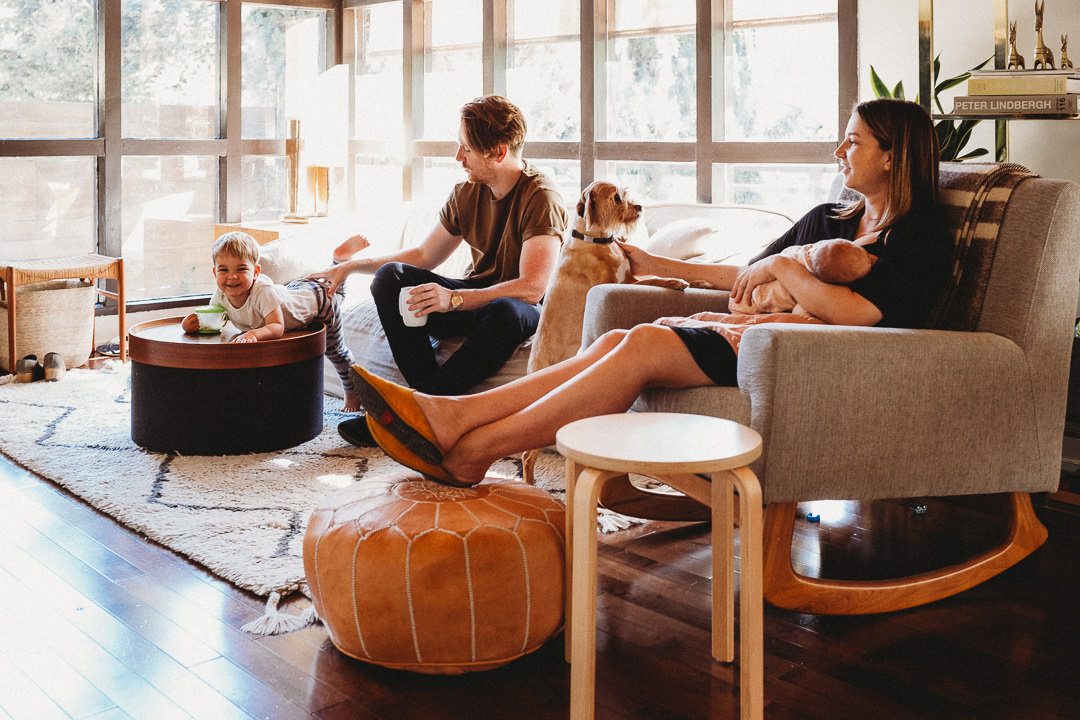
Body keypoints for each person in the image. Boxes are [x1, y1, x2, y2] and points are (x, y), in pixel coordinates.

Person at [346, 97, 954, 487]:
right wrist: (660, 263)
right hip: (759, 335)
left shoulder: (919, 232)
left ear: (893, 155)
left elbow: (863, 315)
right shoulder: (832, 218)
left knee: (639, 348)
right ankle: (454, 415)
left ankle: (473, 445)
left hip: (813, 352)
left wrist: (792, 274)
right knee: (627, 335)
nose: (839, 150)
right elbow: (744, 275)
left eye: (854, 141)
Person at [308, 94, 568, 447]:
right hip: (470, 303)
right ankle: (426, 408)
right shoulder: (467, 192)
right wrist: (351, 267)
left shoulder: (541, 197)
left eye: (467, 149)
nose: (458, 157)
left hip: (513, 309)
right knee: (392, 278)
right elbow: (423, 255)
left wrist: (456, 298)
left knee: (507, 311)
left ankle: (407, 417)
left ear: (499, 152)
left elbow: (532, 288)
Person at [181, 231, 360, 411]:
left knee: (335, 348)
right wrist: (190, 325)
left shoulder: (262, 291)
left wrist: (253, 334)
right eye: (224, 270)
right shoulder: (220, 294)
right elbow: (215, 321)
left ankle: (353, 392)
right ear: (215, 272)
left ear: (256, 272)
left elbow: (276, 327)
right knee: (328, 294)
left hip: (319, 303)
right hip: (293, 290)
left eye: (241, 269)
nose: (232, 276)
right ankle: (339, 263)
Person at [727, 238, 876, 315]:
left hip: (750, 304)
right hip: (747, 294)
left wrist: (778, 264)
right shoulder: (821, 216)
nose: (870, 257)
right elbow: (751, 268)